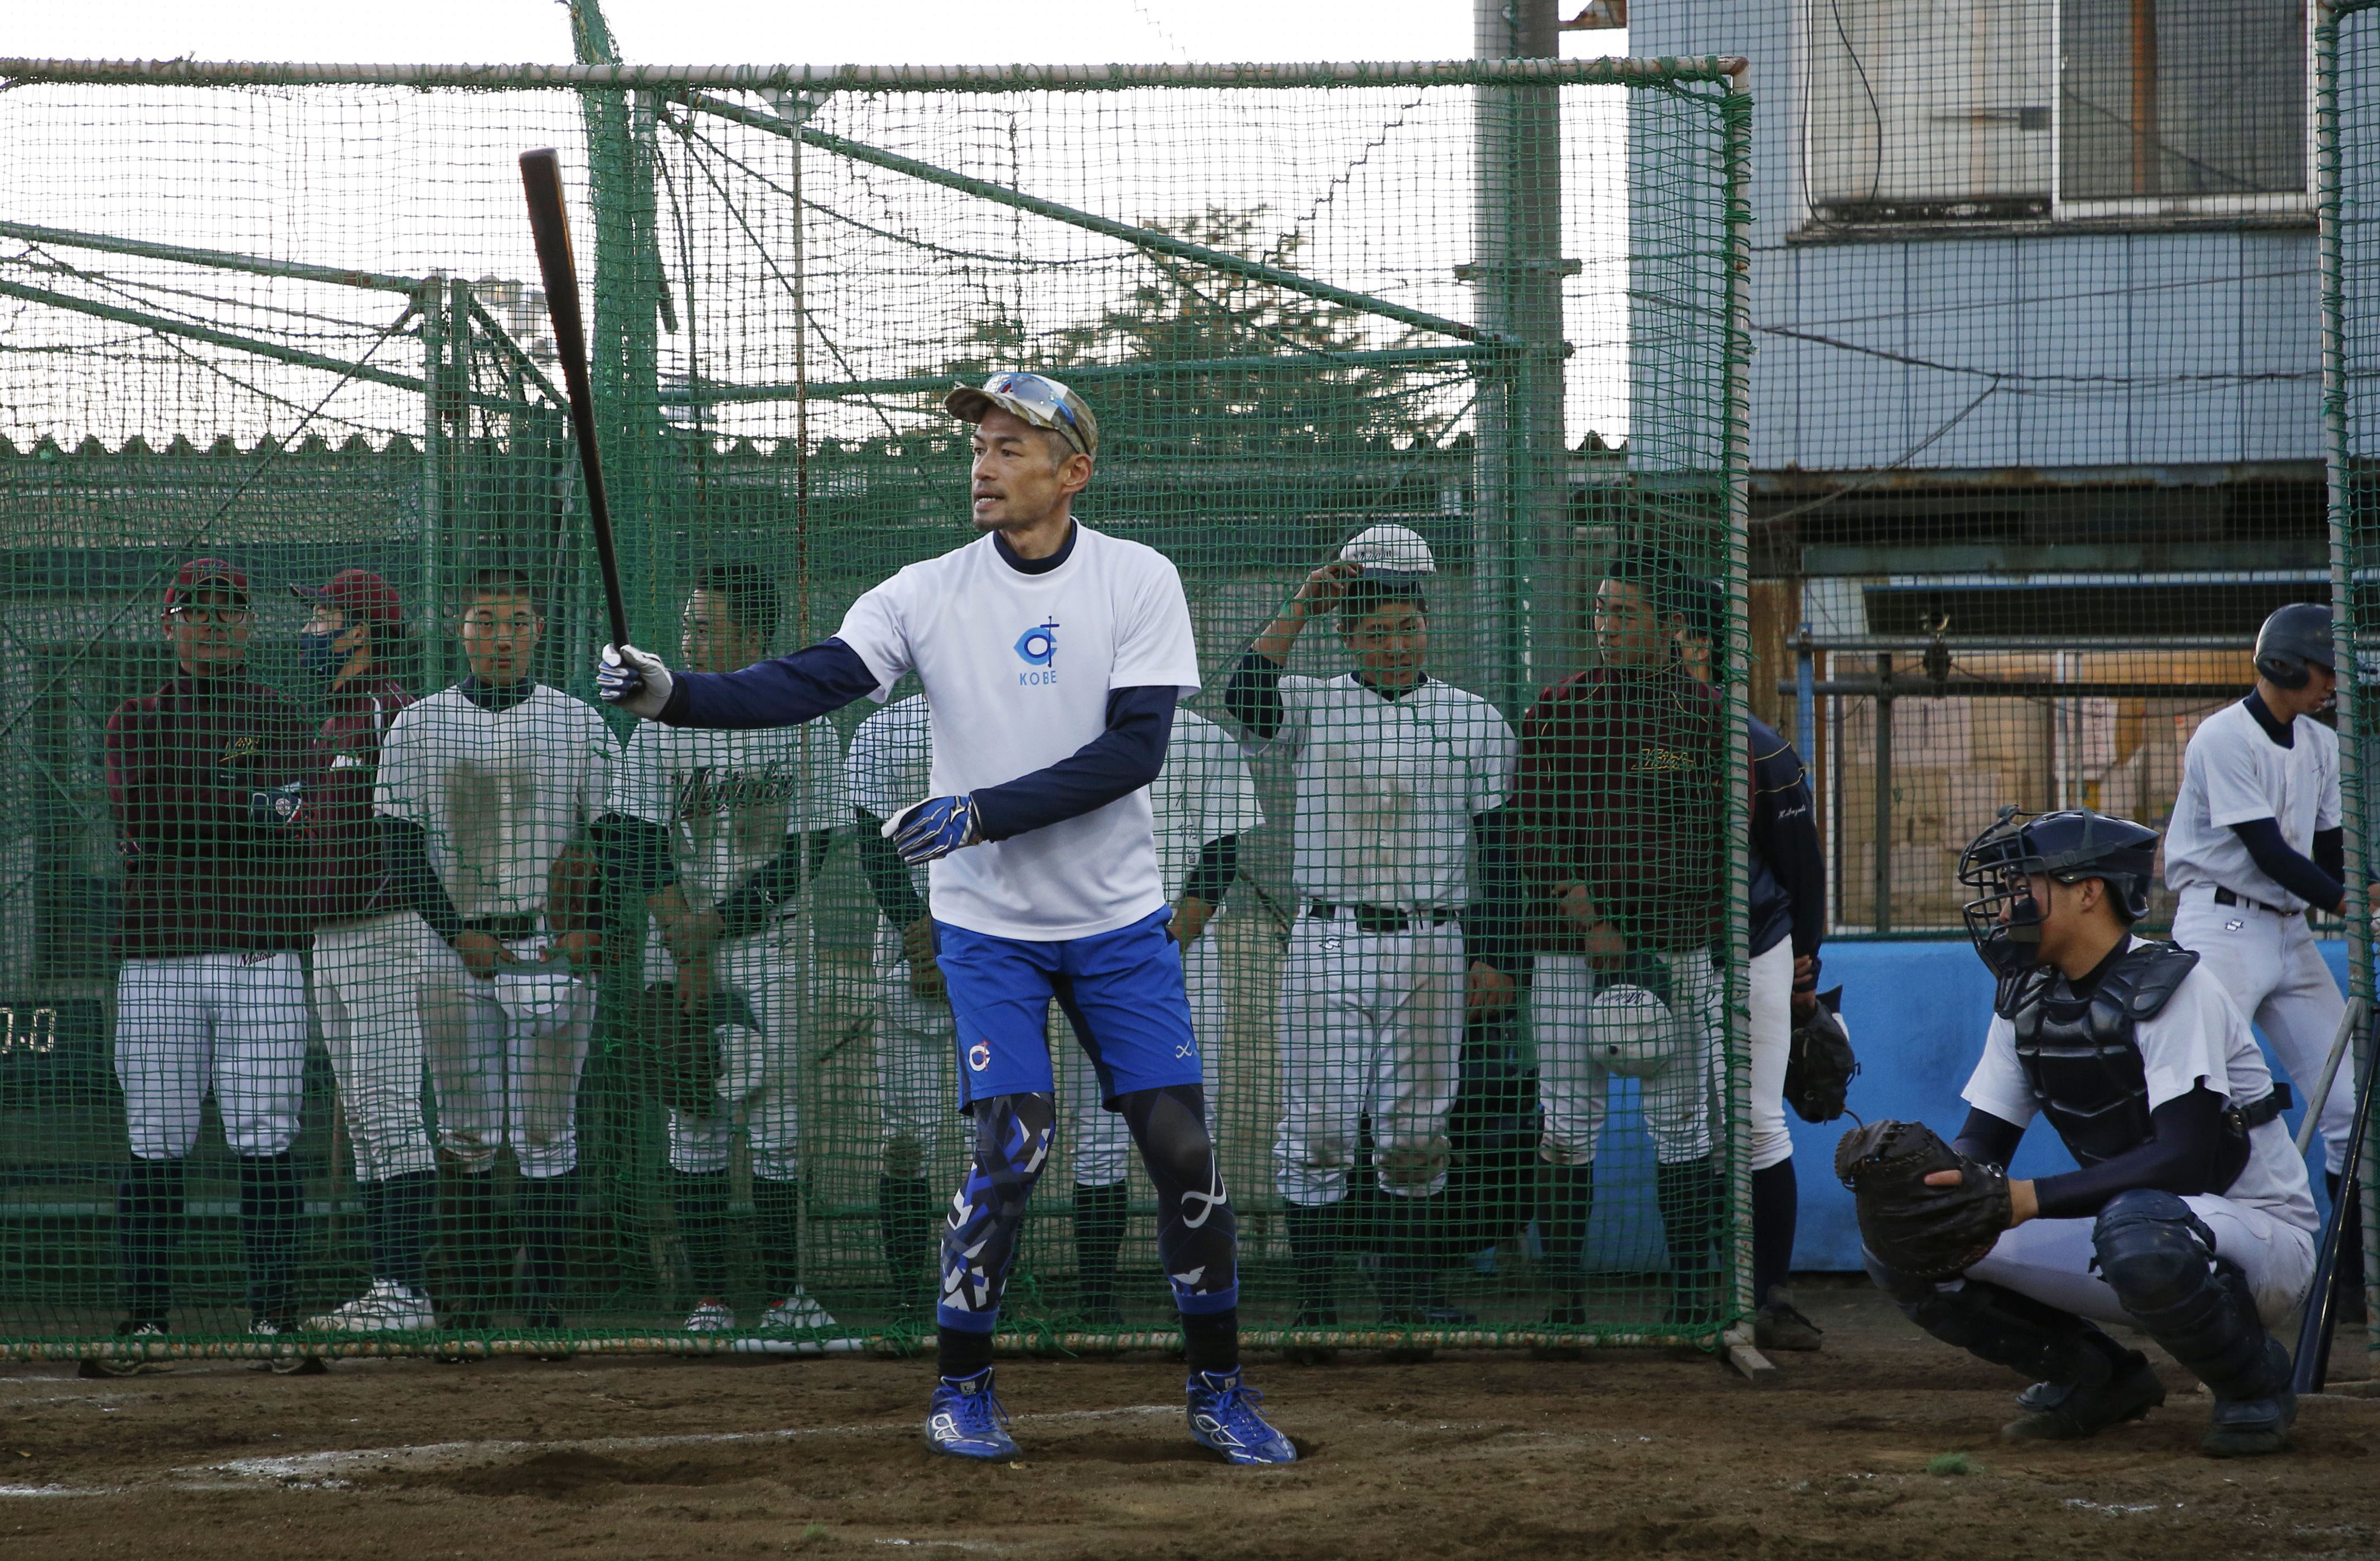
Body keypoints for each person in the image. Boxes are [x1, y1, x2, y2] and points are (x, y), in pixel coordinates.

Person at [598, 372, 1293, 1465]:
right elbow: (807, 680)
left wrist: (979, 811)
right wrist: (673, 692)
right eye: (978, 444)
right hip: (988, 930)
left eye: (1013, 446)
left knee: (1181, 1149)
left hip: (1116, 922)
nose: (983, 462)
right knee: (1010, 1141)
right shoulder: (922, 592)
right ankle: (962, 1383)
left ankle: (1218, 1387)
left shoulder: (1137, 580)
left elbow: (1134, 751)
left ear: (1073, 471)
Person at [1868, 807, 2314, 1457]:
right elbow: (1982, 1142)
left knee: (2138, 1230)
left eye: (2023, 887)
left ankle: (2253, 1385)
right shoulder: (2025, 995)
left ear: (2087, 891)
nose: (2002, 909)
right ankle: (2094, 1377)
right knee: (1906, 1237)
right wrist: (1937, 1182)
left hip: (2257, 1237)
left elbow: (2185, 1159)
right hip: (2135, 1226)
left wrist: (2023, 1198)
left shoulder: (2174, 986)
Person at [1221, 524, 1518, 1331]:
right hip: (1328, 937)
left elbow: (1501, 849)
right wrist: (1300, 608)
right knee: (1319, 1128)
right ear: (1349, 637)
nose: (1396, 644)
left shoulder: (1475, 719)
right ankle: (1317, 1303)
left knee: (1417, 1129)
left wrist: (1496, 959)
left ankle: (1407, 1294)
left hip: (1433, 938)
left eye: (1409, 628)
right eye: (1377, 632)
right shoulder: (1316, 700)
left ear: (1430, 628)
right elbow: (1243, 698)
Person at [90, 559, 320, 1378]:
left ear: (250, 624)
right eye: (196, 610)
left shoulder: (282, 716)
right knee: (155, 1140)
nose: (213, 623)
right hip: (158, 958)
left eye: (228, 611)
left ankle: (274, 1322)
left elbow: (299, 815)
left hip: (261, 952)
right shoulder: (135, 718)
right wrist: (251, 805)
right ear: (169, 625)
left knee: (267, 1136)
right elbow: (145, 811)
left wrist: (224, 809)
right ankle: (148, 1319)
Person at [374, 568, 615, 1337]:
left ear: (538, 630)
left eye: (517, 619)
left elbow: (613, 836)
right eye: (486, 619)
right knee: (467, 1130)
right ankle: (468, 1301)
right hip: (454, 947)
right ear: (460, 627)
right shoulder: (419, 724)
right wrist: (456, 932)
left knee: (548, 1130)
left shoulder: (577, 722)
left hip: (549, 945)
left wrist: (592, 925)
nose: (502, 635)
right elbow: (399, 840)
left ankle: (544, 1304)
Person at [606, 563, 845, 1336]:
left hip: (775, 947)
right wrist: (688, 940)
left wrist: (720, 924)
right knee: (695, 1115)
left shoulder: (806, 716)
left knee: (777, 1124)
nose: (687, 639)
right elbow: (635, 839)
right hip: (677, 946)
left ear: (751, 634)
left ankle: (786, 1296)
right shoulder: (659, 721)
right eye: (685, 626)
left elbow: (815, 845)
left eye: (703, 627)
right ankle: (709, 1298)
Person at [1511, 545, 1729, 1327]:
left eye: (1625, 613)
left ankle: (1690, 1294)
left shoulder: (1704, 718)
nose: (1607, 626)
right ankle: (1563, 1301)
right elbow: (1531, 827)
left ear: (1672, 627)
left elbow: (1711, 838)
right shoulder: (1558, 707)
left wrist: (1639, 931)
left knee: (1682, 1122)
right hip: (1572, 952)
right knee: (1567, 1124)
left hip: (1676, 946)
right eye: (1601, 611)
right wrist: (1588, 917)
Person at [2165, 600, 2364, 1313]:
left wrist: (2361, 885)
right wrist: (2350, 901)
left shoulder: (2316, 741)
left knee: (2347, 1104)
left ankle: (2348, 1290)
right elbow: (2266, 850)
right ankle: (2187, 1264)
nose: (2329, 683)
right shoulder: (2222, 736)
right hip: (2218, 923)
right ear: (2284, 663)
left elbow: (2330, 846)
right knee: (2203, 1097)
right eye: (2320, 669)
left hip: (2286, 931)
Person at [1672, 580, 1830, 1350]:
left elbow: (1802, 868)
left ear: (1700, 645)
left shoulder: (1759, 743)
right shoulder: (1610, 730)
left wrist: (1807, 959)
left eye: (1680, 633)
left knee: (1758, 1120)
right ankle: (1699, 1289)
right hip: (1663, 948)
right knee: (1686, 1124)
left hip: (1755, 943)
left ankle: (1769, 1294)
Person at [288, 570, 439, 1335]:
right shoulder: (328, 717)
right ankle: (389, 1288)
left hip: (388, 930)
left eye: (324, 617)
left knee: (390, 1112)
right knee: (365, 1113)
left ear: (362, 632)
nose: (310, 631)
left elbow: (422, 828)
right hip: (329, 937)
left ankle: (408, 1293)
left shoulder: (393, 710)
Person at [845, 693, 961, 1312]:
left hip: (1000, 936)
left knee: (1000, 1136)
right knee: (905, 1138)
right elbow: (872, 840)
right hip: (905, 940)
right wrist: (920, 939)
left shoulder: (1022, 707)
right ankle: (907, 1296)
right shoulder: (885, 725)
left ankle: (987, 1286)